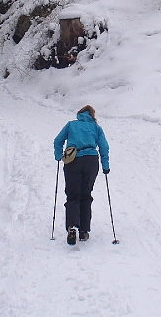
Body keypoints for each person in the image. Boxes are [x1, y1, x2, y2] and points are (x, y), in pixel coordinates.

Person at [53, 105, 110, 245]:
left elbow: (58, 141)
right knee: (86, 194)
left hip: (73, 161)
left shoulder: (71, 125)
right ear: (92, 115)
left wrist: (58, 155)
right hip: (91, 161)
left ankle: (72, 226)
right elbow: (104, 147)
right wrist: (106, 166)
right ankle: (84, 231)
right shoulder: (97, 128)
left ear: (80, 114)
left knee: (73, 194)